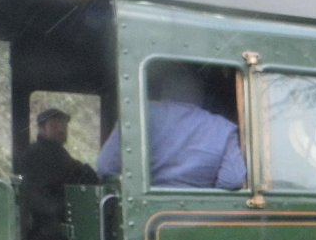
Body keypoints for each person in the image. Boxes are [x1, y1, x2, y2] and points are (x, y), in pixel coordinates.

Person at [96, 66, 247, 190]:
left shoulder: (138, 114)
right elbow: (232, 180)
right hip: (202, 218)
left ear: (164, 91)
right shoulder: (224, 128)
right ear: (201, 93)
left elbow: (105, 166)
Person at [14, 107, 98, 240]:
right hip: (48, 227)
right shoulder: (38, 153)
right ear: (41, 129)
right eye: (54, 126)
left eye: (64, 126)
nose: (61, 130)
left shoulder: (56, 151)